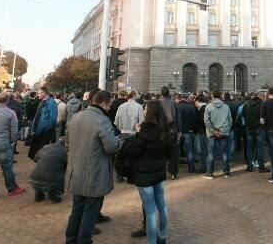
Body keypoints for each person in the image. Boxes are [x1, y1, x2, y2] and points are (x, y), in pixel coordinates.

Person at [65, 91, 121, 244]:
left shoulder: (76, 117)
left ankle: (70, 240)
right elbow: (111, 147)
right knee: (90, 212)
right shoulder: (102, 121)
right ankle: (84, 241)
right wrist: (120, 141)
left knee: (77, 210)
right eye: (109, 105)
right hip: (94, 174)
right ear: (103, 104)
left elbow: (68, 143)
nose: (110, 108)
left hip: (76, 172)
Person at [133, 100, 174, 244]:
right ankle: (162, 236)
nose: (143, 111)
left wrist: (137, 134)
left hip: (145, 174)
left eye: (145, 109)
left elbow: (136, 151)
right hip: (159, 172)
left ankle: (151, 241)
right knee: (162, 205)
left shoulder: (144, 129)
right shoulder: (166, 129)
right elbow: (170, 152)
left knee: (150, 211)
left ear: (149, 111)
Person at [203, 90, 232, 179]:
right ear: (220, 95)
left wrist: (213, 131)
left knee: (211, 153)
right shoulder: (226, 107)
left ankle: (210, 173)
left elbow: (206, 120)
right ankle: (226, 172)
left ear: (212, 96)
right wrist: (223, 130)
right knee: (224, 153)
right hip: (223, 132)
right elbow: (230, 120)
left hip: (212, 133)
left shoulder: (208, 106)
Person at [31, 138, 67, 203]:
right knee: (58, 173)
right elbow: (66, 167)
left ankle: (39, 195)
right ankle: (54, 195)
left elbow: (35, 160)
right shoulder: (64, 151)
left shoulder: (46, 147)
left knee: (41, 174)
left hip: (34, 176)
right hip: (52, 178)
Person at [28, 87, 58, 160]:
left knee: (43, 153)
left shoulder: (51, 103)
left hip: (45, 132)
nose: (38, 95)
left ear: (45, 93)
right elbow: (38, 116)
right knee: (35, 153)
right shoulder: (42, 102)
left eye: (39, 93)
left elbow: (53, 119)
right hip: (38, 131)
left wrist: (45, 129)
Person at [158, 87, 179, 180]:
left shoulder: (158, 103)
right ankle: (173, 172)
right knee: (173, 152)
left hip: (161, 130)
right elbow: (177, 117)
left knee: (161, 151)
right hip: (172, 129)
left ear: (161, 93)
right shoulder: (173, 103)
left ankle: (160, 172)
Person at [244, 92, 267, 173]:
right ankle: (261, 167)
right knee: (260, 148)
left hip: (250, 128)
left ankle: (249, 166)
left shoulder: (246, 104)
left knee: (249, 148)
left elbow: (243, 115)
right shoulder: (262, 104)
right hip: (259, 128)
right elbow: (265, 116)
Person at [175, 93, 198, 173]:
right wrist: (193, 129)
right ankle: (191, 168)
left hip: (179, 131)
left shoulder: (177, 106)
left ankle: (175, 168)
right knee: (189, 150)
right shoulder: (191, 106)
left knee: (176, 149)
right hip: (189, 130)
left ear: (179, 99)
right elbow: (195, 118)